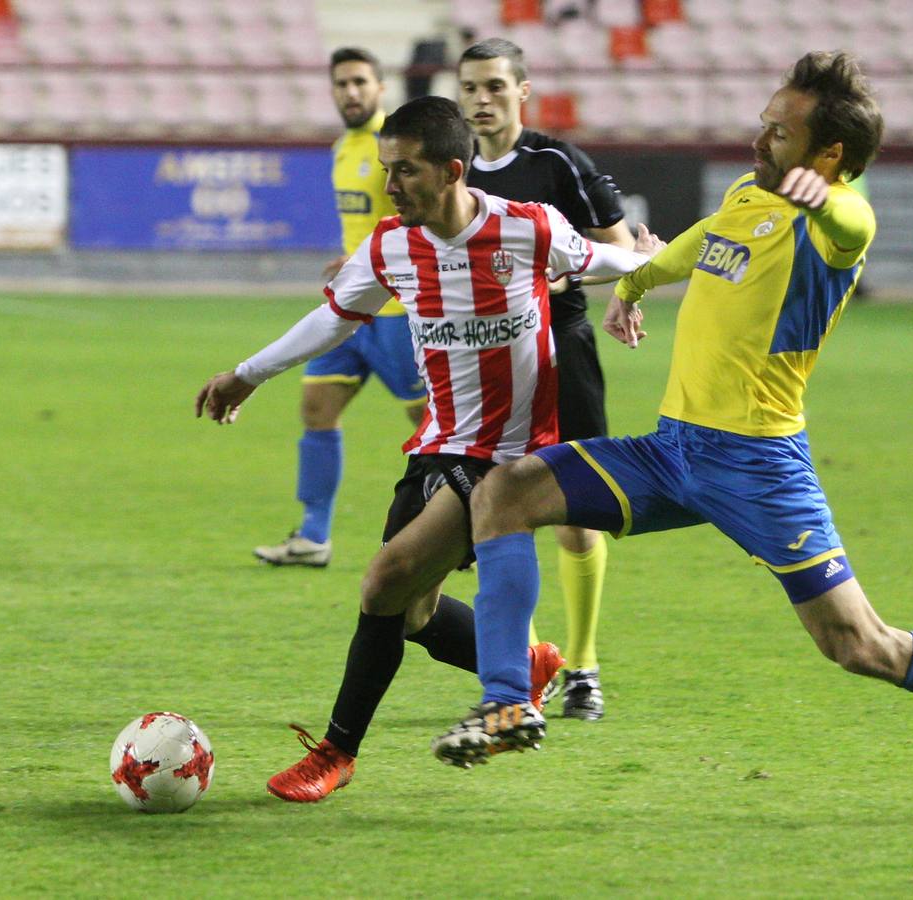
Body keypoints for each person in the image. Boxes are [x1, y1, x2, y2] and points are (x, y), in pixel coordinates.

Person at [429, 52, 913, 823]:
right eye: (763, 122)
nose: (758, 139)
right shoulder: (745, 195)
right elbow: (700, 243)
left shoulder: (837, 227)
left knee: (859, 646)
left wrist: (823, 199)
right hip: (670, 450)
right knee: (508, 491)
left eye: (779, 132)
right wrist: (632, 282)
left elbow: (852, 221)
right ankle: (505, 702)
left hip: (756, 465)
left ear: (827, 155)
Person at [196, 96, 662, 802]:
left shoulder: (526, 229)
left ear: (450, 171)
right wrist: (247, 374)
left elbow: (600, 258)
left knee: (382, 582)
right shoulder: (390, 246)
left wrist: (649, 267)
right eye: (386, 169)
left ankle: (336, 751)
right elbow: (332, 319)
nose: (390, 186)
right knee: (411, 613)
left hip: (507, 460)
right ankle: (522, 662)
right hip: (436, 447)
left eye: (404, 171)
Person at [459, 37, 632, 719]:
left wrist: (568, 274)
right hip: (485, 361)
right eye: (470, 87)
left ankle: (584, 665)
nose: (481, 100)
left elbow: (620, 250)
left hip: (561, 350)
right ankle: (533, 666)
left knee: (573, 518)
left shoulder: (557, 162)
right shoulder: (452, 168)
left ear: (522, 92)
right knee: (499, 513)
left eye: (495, 87)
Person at [253, 47, 428, 569]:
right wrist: (353, 260)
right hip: (353, 311)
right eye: (341, 84)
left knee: (431, 424)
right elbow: (366, 226)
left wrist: (373, 258)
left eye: (360, 82)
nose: (350, 92)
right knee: (317, 408)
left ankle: (462, 522)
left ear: (380, 88)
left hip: (399, 312)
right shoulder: (342, 148)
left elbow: (420, 217)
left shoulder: (396, 148)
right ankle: (312, 537)